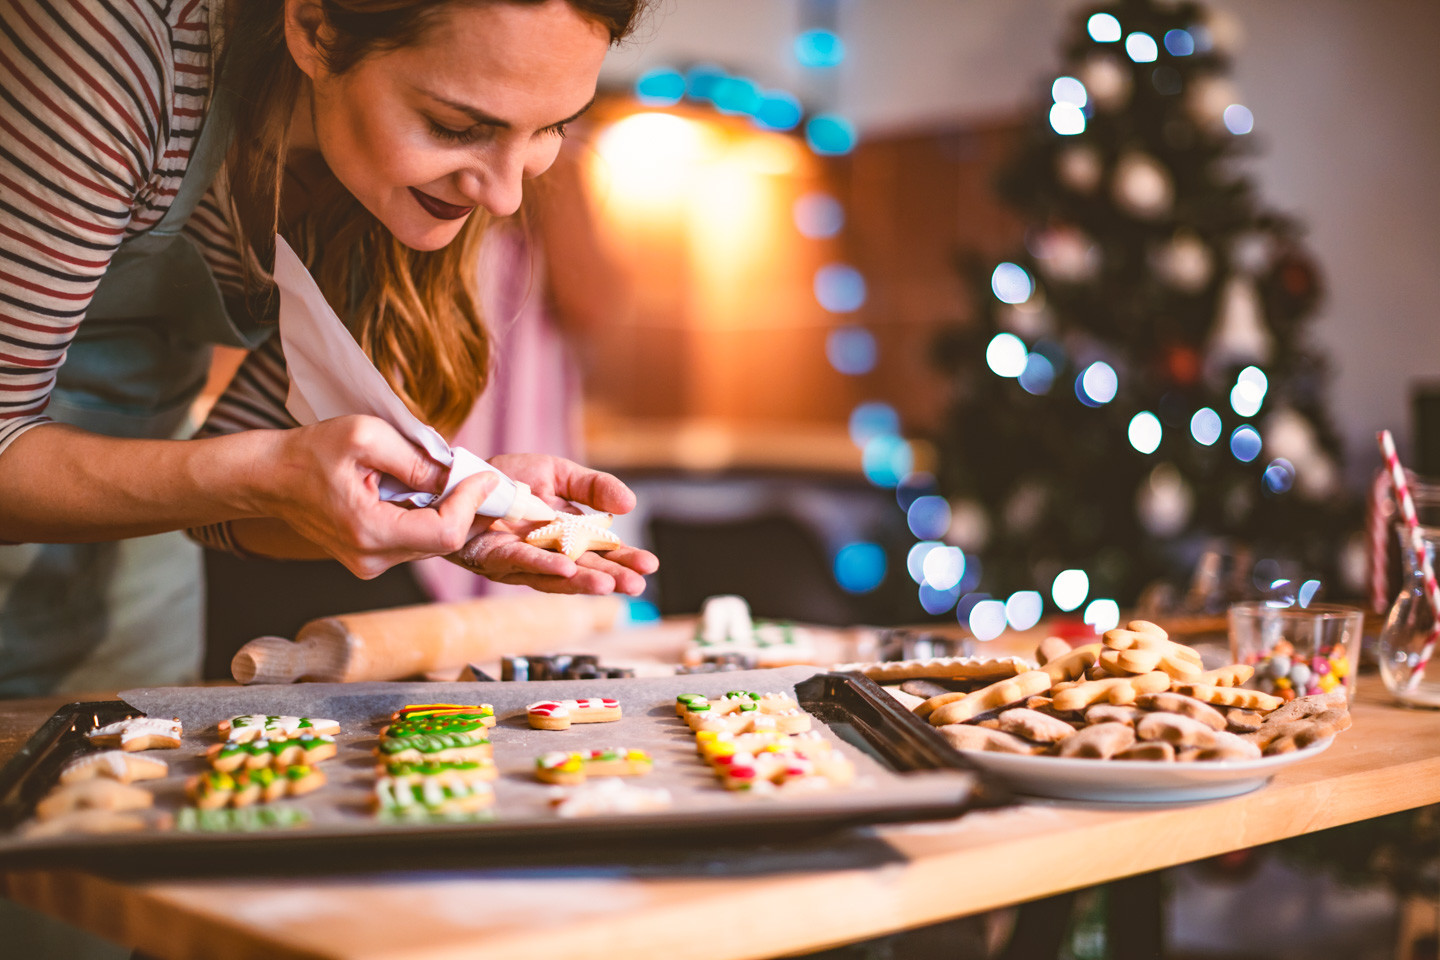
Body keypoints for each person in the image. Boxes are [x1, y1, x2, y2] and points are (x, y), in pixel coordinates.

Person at [0, 0, 658, 698]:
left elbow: (228, 509)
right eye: (457, 126)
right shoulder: (119, 41)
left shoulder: (378, 192)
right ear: (315, 27)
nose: (502, 196)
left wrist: (454, 512)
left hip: (124, 575)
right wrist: (268, 470)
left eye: (551, 126)